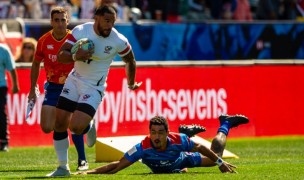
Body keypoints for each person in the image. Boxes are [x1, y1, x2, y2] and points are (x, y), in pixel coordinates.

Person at [46, 4, 142, 177]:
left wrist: (131, 83)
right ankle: (62, 168)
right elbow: (62, 55)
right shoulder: (81, 31)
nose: (109, 25)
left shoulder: (118, 40)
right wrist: (76, 56)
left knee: (75, 127)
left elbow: (131, 60)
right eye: (106, 21)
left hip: (94, 87)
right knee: (59, 124)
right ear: (96, 18)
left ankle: (89, 125)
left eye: (112, 22)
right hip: (74, 80)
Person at [28, 6, 95, 171]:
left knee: (69, 123)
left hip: (73, 84)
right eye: (56, 20)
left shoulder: (76, 39)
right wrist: (32, 88)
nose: (59, 24)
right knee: (46, 127)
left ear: (68, 21)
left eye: (63, 20)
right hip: (52, 87)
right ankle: (89, 125)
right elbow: (36, 63)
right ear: (51, 21)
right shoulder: (43, 41)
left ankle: (79, 161)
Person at [76, 114, 249, 174]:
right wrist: (90, 172)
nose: (156, 137)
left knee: (215, 157)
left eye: (160, 133)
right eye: (153, 132)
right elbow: (116, 166)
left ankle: (225, 123)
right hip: (174, 165)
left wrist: (220, 162)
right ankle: (187, 131)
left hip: (182, 159)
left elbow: (201, 147)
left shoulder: (177, 140)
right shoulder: (143, 147)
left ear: (167, 133)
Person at [0, 40, 20, 152]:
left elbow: (12, 68)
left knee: (1, 113)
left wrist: (15, 85)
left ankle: (4, 141)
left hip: (1, 86)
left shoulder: (3, 50)